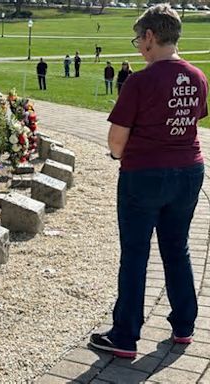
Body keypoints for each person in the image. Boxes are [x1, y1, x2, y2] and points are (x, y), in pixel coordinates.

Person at [90, 4, 208, 359]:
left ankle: (125, 335)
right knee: (177, 248)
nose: (138, 46)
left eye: (139, 39)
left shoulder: (140, 81)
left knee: (136, 254)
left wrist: (116, 156)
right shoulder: (198, 76)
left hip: (144, 174)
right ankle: (184, 324)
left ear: (151, 37)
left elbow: (116, 140)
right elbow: (192, 119)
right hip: (189, 171)